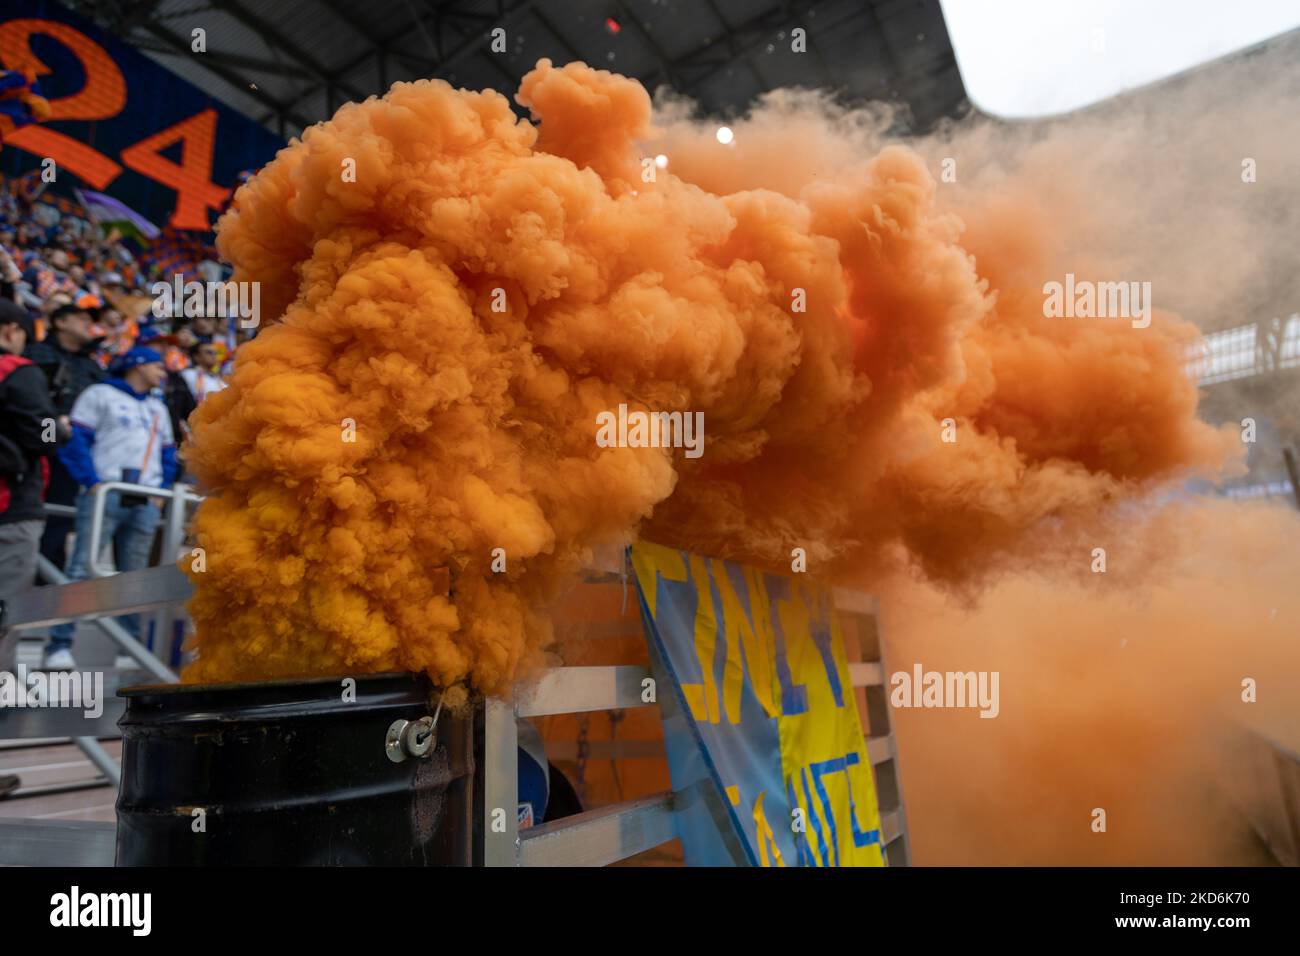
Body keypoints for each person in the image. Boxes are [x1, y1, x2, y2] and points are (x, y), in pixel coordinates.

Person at [42, 346, 176, 670]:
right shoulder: (99, 393)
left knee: (136, 577)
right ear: (137, 364)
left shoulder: (158, 407)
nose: (163, 370)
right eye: (157, 364)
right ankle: (58, 646)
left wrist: (161, 492)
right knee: (81, 569)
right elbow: (75, 441)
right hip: (107, 492)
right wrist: (91, 481)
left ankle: (128, 649)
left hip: (144, 498)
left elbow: (168, 454)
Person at [0, 299, 61, 796]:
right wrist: (56, 428)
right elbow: (43, 435)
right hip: (9, 513)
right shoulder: (17, 372)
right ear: (11, 331)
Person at [24, 301, 106, 572]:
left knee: (60, 517)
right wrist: (53, 431)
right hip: (36, 448)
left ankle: (45, 577)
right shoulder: (35, 353)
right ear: (60, 322)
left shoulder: (92, 366)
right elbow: (32, 405)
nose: (88, 323)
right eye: (80, 317)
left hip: (74, 453)